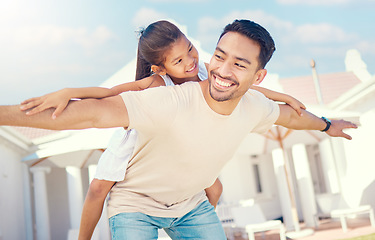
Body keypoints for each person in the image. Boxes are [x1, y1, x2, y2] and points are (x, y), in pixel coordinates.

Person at [0, 19, 357, 239]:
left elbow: (288, 115)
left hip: (188, 204)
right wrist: (45, 101)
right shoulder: (164, 94)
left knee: (213, 186)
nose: (218, 68)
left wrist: (327, 123)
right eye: (220, 56)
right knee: (98, 187)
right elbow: (93, 110)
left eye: (239, 64)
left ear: (256, 75)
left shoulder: (246, 99)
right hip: (136, 200)